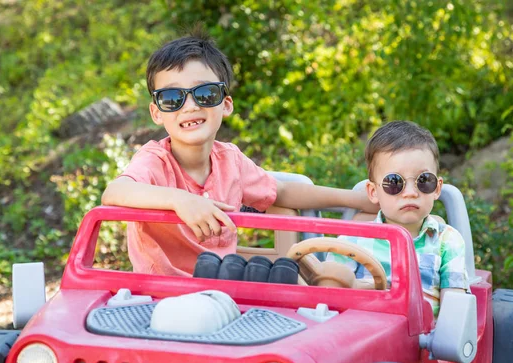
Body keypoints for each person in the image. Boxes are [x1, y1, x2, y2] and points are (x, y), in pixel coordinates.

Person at [101, 29, 378, 276]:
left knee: (274, 271)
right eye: (173, 98)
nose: (190, 106)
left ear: (226, 104)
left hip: (224, 288)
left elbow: (281, 191)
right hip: (161, 294)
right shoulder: (154, 161)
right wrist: (179, 200)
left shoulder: (229, 161)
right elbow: (115, 192)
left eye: (205, 94)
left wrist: (355, 199)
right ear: (156, 113)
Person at [327, 120, 469, 316]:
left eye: (424, 181)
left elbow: (454, 314)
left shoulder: (447, 242)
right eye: (394, 182)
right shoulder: (351, 242)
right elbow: (330, 303)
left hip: (423, 340)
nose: (410, 193)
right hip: (361, 333)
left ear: (437, 188)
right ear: (373, 191)